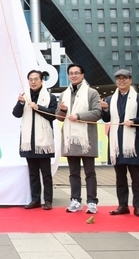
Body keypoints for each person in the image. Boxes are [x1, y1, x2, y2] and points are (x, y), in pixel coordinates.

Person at [100, 69, 139, 217]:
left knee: (136, 177)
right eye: (118, 78)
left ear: (130, 80)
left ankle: (138, 206)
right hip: (116, 143)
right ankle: (122, 205)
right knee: (120, 177)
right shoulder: (110, 99)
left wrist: (133, 121)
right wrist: (104, 109)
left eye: (124, 78)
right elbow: (106, 119)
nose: (121, 81)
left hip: (132, 143)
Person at [56, 64, 102, 214]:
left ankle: (92, 202)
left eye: (76, 73)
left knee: (90, 172)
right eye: (71, 73)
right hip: (70, 139)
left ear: (83, 75)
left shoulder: (92, 93)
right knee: (73, 172)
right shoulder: (63, 94)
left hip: (86, 139)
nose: (73, 75)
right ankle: (75, 200)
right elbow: (59, 117)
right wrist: (62, 111)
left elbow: (97, 113)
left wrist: (79, 116)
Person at [13, 70, 57, 210]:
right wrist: (21, 103)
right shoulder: (25, 96)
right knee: (33, 173)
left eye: (36, 79)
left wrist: (38, 107)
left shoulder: (50, 97)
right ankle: (35, 199)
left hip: (43, 142)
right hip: (29, 142)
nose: (33, 82)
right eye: (30, 79)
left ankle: (48, 200)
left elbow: (53, 115)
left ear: (41, 81)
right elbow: (16, 114)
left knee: (46, 174)